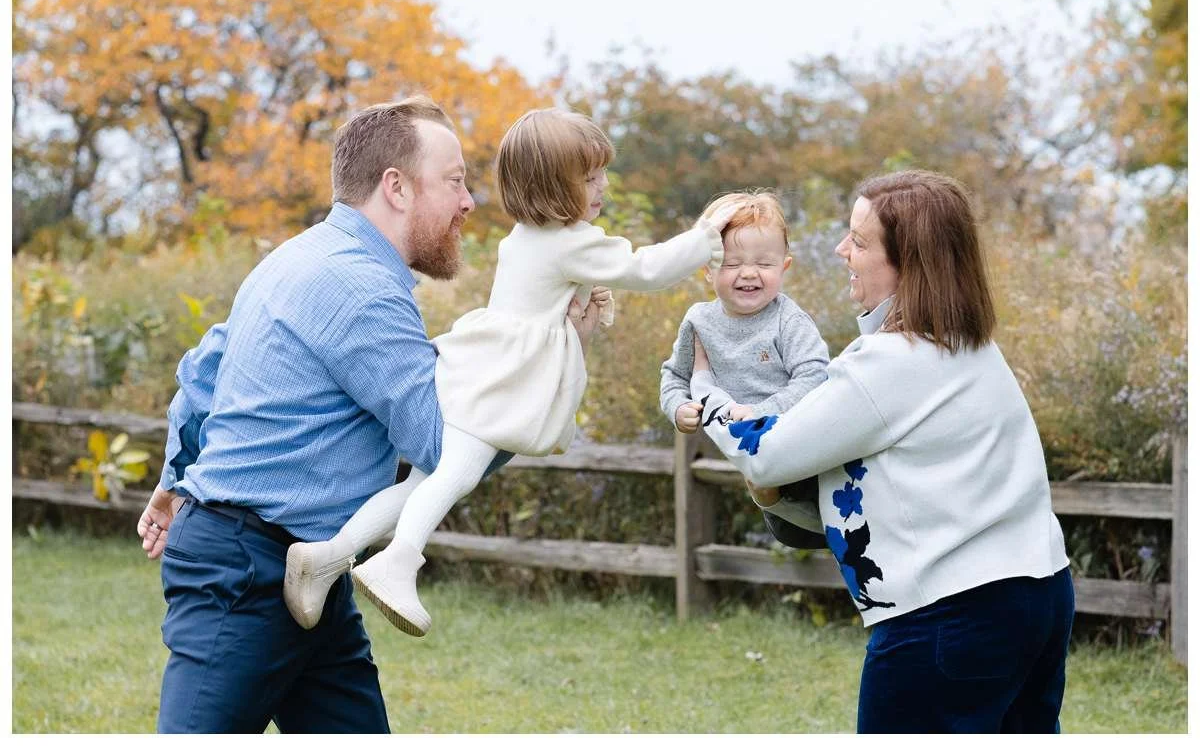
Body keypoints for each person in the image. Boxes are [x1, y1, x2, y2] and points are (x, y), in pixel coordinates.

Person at [134, 97, 609, 733]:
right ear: (396, 188)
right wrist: (553, 355)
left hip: (310, 571)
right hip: (244, 577)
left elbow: (201, 374)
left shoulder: (296, 256)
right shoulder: (364, 293)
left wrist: (171, 482)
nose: (469, 202)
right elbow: (444, 447)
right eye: (454, 181)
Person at [285, 107, 739, 638]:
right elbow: (646, 268)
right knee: (455, 475)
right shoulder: (568, 241)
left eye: (601, 174)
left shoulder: (528, 234)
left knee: (424, 481)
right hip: (503, 380)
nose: (603, 187)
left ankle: (328, 556)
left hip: (483, 367)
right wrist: (706, 238)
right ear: (551, 186)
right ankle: (397, 561)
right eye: (588, 177)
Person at [690, 170, 1074, 733]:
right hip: (1038, 595)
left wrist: (703, 389)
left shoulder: (891, 363)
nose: (842, 249)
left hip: (949, 615)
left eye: (860, 242)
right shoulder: (971, 348)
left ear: (910, 264)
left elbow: (764, 454)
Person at [659, 190, 829, 547]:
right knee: (787, 529)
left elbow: (815, 377)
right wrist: (678, 407)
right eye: (732, 264)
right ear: (707, 269)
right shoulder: (699, 321)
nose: (748, 274)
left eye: (764, 265)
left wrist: (760, 412)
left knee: (832, 524)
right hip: (757, 460)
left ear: (783, 267)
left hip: (804, 446)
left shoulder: (788, 320)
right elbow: (675, 376)